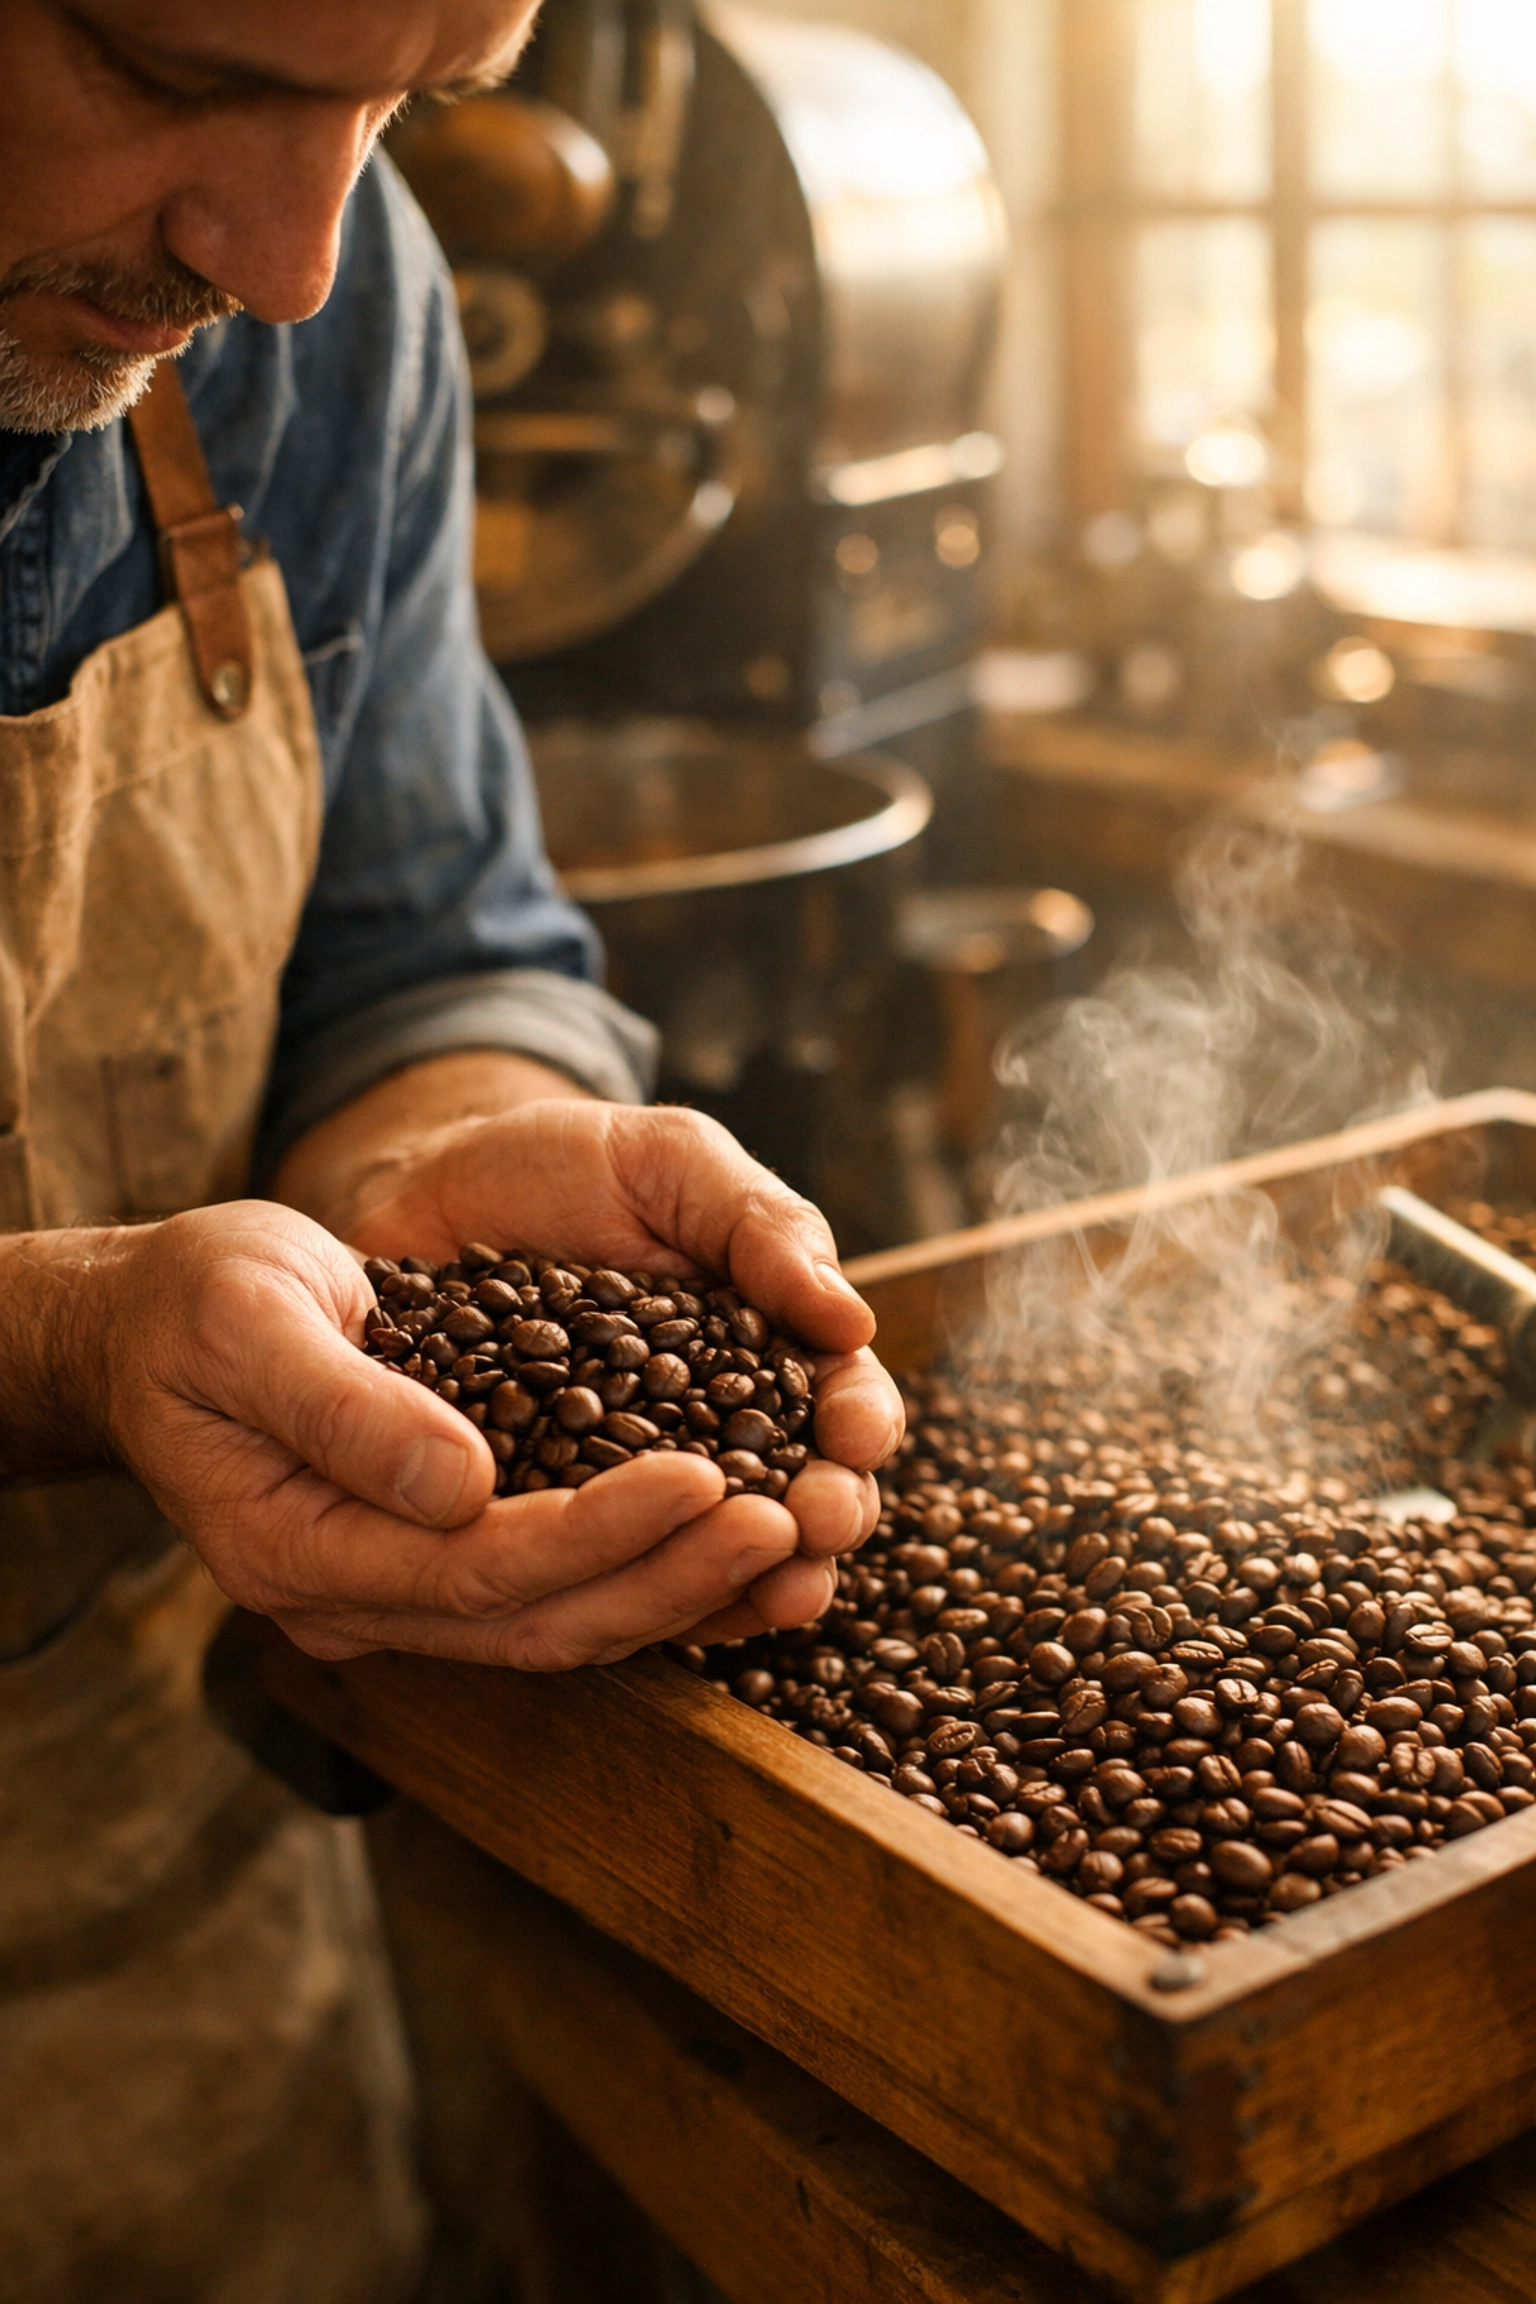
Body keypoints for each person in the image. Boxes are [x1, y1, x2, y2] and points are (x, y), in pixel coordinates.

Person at [0, 2, 904, 2296]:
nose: (300, 253)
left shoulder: (333, 302)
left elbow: (427, 938)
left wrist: (463, 1149)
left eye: (404, 110)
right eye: (183, 76)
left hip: (141, 1888)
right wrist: (78, 1337)